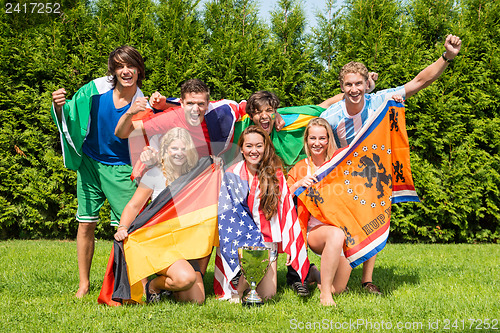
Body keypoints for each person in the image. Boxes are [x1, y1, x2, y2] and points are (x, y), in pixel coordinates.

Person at [320, 34, 462, 294]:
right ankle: (325, 274)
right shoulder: (332, 115)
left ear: (367, 84)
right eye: (349, 84)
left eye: (359, 84)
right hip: (342, 178)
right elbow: (311, 119)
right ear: (341, 86)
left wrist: (447, 57)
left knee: (373, 219)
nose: (354, 89)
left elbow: (420, 81)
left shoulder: (380, 100)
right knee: (345, 228)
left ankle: (367, 280)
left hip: (373, 174)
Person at [50, 45, 148, 298]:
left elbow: (138, 141)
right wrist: (59, 106)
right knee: (85, 224)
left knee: (125, 230)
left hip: (121, 170)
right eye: (119, 66)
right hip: (90, 165)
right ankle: (83, 285)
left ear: (139, 69)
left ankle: (123, 286)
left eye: (130, 66)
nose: (125, 71)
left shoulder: (144, 104)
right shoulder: (95, 91)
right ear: (113, 70)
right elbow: (70, 116)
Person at [214, 126, 309, 301]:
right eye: (249, 146)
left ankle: (250, 278)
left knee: (268, 295)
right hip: (239, 241)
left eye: (259, 145)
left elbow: (286, 209)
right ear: (241, 148)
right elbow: (228, 217)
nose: (254, 151)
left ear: (265, 147)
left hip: (267, 242)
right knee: (242, 293)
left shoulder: (275, 173)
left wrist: (288, 245)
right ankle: (237, 288)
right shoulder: (232, 174)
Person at [114, 127, 205, 304]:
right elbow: (133, 206)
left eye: (184, 148)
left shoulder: (195, 175)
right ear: (165, 150)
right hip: (160, 242)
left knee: (195, 300)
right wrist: (122, 227)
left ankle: (168, 288)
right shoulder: (155, 174)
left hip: (185, 243)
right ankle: (153, 286)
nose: (179, 153)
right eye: (174, 148)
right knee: (185, 279)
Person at [288, 118, 352, 306]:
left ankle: (314, 273)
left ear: (328, 139)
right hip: (315, 232)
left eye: (322, 138)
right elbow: (283, 195)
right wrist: (299, 184)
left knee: (338, 288)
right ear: (307, 140)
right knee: (335, 233)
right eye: (312, 138)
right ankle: (325, 295)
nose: (317, 143)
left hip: (342, 232)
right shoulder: (300, 167)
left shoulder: (338, 164)